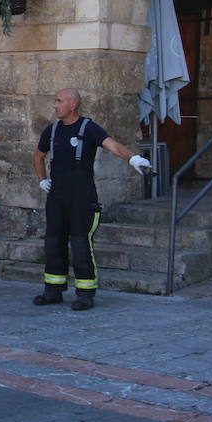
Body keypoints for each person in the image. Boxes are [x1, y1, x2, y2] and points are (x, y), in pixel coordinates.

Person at [33, 88, 151, 311]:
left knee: (80, 243)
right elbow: (38, 155)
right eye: (55, 100)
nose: (55, 104)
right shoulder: (52, 130)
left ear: (73, 105)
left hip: (82, 197)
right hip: (57, 197)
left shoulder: (88, 128)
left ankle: (85, 293)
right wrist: (42, 180)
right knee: (53, 243)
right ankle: (53, 290)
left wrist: (133, 158)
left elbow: (112, 145)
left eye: (59, 101)